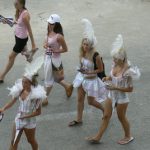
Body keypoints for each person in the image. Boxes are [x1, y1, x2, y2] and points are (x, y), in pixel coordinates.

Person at [86, 34, 141, 144]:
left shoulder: (128, 72)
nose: (114, 60)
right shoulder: (114, 64)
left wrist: (115, 87)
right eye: (113, 57)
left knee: (121, 118)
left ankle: (128, 136)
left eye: (116, 58)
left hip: (122, 99)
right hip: (111, 95)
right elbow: (112, 76)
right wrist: (108, 77)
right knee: (106, 116)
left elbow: (130, 89)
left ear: (122, 59)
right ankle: (97, 137)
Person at [0, 57, 46, 150]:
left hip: (29, 121)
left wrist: (26, 116)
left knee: (31, 141)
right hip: (19, 118)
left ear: (31, 83)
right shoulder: (20, 90)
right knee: (14, 140)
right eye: (22, 81)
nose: (23, 84)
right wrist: (3, 108)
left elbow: (38, 112)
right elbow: (12, 102)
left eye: (25, 82)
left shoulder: (36, 96)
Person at [68, 19, 107, 127]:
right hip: (81, 78)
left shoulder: (96, 55)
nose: (85, 46)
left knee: (90, 102)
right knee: (80, 100)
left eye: (87, 45)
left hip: (91, 81)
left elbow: (100, 69)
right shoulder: (82, 53)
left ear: (91, 45)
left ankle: (105, 110)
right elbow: (82, 65)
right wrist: (81, 69)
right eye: (84, 44)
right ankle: (79, 119)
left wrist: (90, 72)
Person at [0, 0, 37, 84]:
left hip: (21, 40)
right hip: (18, 37)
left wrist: (33, 44)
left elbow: (29, 30)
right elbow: (19, 23)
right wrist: (9, 22)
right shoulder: (19, 11)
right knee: (27, 54)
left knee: (11, 57)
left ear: (22, 4)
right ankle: (34, 71)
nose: (14, 5)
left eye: (16, 3)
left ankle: (1, 76)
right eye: (14, 3)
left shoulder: (25, 15)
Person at [42, 14, 73, 106]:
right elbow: (45, 42)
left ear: (56, 24)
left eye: (51, 23)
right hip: (47, 58)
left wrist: (56, 50)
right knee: (55, 77)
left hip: (53, 60)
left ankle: (45, 98)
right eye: (49, 23)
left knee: (48, 80)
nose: (49, 25)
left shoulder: (59, 36)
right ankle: (67, 86)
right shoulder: (49, 31)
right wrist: (45, 45)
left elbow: (65, 49)